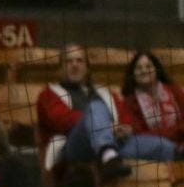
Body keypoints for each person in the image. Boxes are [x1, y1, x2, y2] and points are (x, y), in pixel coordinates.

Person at [37, 42, 173, 177]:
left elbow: (126, 116)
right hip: (75, 147)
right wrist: (106, 126)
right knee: (95, 107)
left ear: (87, 68)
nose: (75, 65)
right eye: (69, 61)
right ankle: (108, 155)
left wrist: (125, 127)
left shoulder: (105, 93)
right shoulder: (49, 94)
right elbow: (61, 120)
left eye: (79, 61)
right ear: (61, 68)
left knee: (163, 146)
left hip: (115, 143)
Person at [122, 49, 184, 148]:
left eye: (148, 66)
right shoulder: (130, 101)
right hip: (155, 148)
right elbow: (139, 134)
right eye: (139, 68)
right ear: (133, 74)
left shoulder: (174, 90)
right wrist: (175, 132)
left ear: (156, 70)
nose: (144, 71)